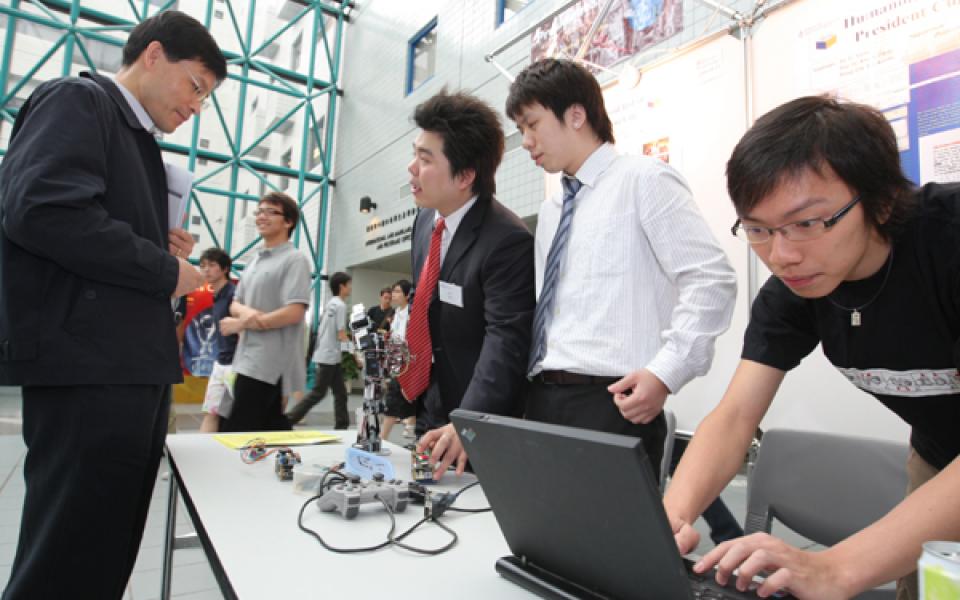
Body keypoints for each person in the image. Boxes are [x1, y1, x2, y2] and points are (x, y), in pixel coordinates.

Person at [665, 96, 960, 600]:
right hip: (939, 462)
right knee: (937, 591)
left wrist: (836, 569)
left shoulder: (948, 241)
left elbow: (841, 571)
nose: (782, 255)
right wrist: (669, 519)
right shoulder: (794, 291)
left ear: (881, 201)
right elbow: (735, 416)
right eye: (758, 229)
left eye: (807, 223)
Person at [0, 11, 224, 598]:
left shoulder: (139, 144)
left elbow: (98, 229)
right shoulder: (78, 101)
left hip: (128, 369)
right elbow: (43, 210)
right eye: (195, 86)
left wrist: (161, 245)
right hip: (90, 370)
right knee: (67, 552)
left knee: (104, 549)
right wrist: (164, 267)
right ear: (152, 55)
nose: (196, 106)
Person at [504, 58, 736, 479]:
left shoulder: (644, 180)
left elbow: (710, 279)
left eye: (532, 124)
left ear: (576, 115)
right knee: (543, 536)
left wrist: (666, 372)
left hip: (611, 403)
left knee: (610, 541)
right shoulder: (552, 208)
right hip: (540, 397)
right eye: (521, 129)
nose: (525, 141)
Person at [403, 90, 535, 478]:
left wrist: (469, 421)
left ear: (464, 176)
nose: (412, 168)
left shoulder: (506, 240)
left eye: (426, 159)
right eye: (415, 153)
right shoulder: (426, 222)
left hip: (481, 426)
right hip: (433, 412)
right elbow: (422, 306)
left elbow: (506, 339)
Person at [219, 192, 312, 432]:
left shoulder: (295, 259)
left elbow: (294, 312)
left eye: (270, 212)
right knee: (263, 433)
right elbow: (235, 303)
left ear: (288, 221)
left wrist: (243, 323)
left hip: (270, 365)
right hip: (244, 359)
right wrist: (246, 314)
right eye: (259, 212)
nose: (261, 216)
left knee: (239, 432)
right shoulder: (254, 261)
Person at [286, 272, 352, 428]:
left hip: (328, 355)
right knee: (318, 393)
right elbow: (341, 334)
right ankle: (289, 419)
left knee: (340, 393)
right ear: (342, 286)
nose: (350, 288)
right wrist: (355, 353)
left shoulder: (330, 304)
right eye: (349, 285)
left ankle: (342, 425)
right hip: (329, 356)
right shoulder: (341, 306)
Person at [197, 247, 238, 433]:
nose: (206, 269)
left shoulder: (233, 294)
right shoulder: (218, 295)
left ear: (225, 269)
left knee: (237, 418)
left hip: (236, 365)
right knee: (211, 412)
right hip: (220, 362)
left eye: (212, 265)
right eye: (203, 265)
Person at [381, 279, 416, 440]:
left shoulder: (412, 313)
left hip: (409, 363)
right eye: (393, 291)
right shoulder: (396, 314)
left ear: (407, 295)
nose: (393, 295)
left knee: (395, 398)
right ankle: (410, 423)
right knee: (397, 397)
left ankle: (383, 437)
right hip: (397, 362)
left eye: (397, 292)